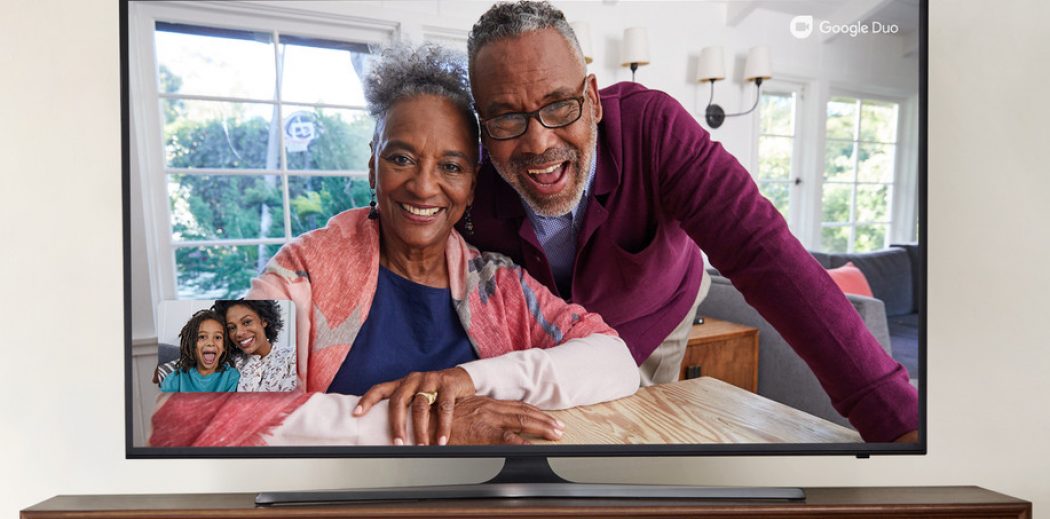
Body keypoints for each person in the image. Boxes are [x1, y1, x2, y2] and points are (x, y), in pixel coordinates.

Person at [461, 0, 918, 443]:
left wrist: (894, 419)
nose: (539, 143)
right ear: (483, 128)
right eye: (506, 117)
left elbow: (764, 252)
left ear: (594, 100)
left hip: (657, 309)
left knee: (640, 426)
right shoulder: (468, 182)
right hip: (543, 338)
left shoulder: (654, 128)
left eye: (560, 105)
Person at [243, 43, 639, 446]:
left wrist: (466, 382)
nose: (424, 186)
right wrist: (426, 424)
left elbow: (615, 360)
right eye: (401, 159)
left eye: (450, 167)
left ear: (471, 186)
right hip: (344, 505)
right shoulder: (302, 269)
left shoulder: (495, 283)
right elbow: (214, 408)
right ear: (371, 166)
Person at [212, 299, 299, 393]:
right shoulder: (228, 366)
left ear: (264, 320)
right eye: (231, 328)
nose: (239, 333)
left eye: (246, 322)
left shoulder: (293, 358)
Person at [159, 309, 239, 393]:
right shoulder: (175, 380)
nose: (210, 343)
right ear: (191, 344)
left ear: (224, 346)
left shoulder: (231, 377)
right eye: (202, 337)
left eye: (217, 337)